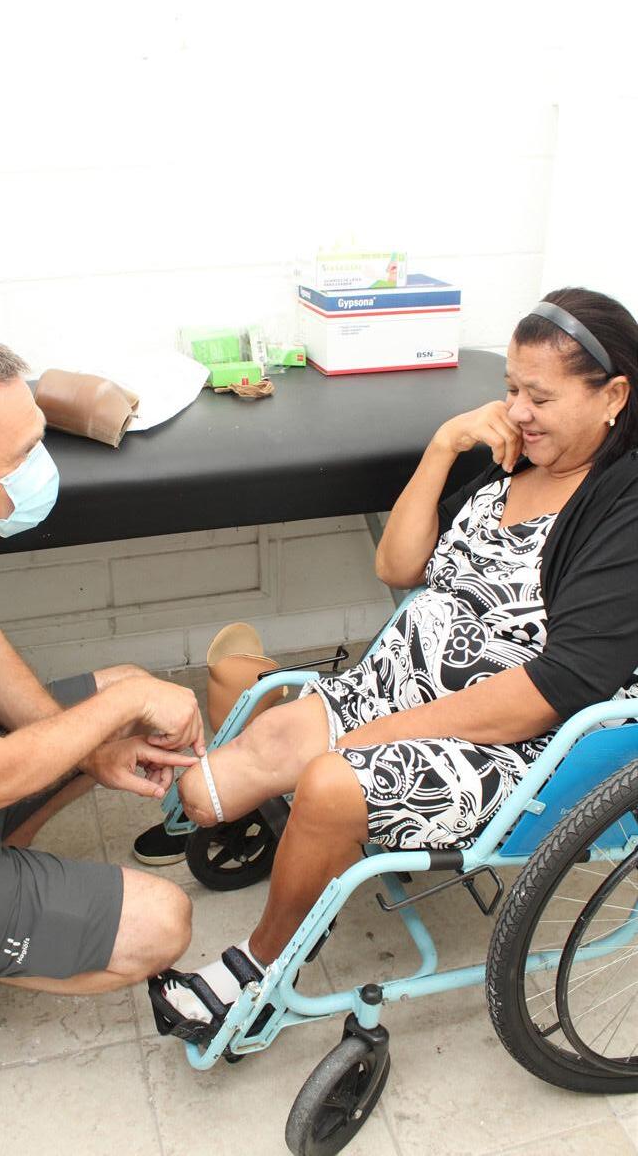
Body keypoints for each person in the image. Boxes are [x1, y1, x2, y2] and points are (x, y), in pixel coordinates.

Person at [154, 286, 638, 1030]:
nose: (516, 411)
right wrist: (446, 443)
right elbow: (398, 565)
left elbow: (553, 688)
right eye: (510, 388)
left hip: (510, 746)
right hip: (392, 690)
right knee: (204, 794)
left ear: (613, 396)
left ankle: (261, 967)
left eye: (539, 396)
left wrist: (376, 739)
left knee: (327, 782)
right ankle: (315, 853)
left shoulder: (620, 506)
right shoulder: (516, 462)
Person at [0, 334, 204, 999]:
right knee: (161, 924)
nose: (43, 466)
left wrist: (97, 745)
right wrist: (119, 710)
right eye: (24, 453)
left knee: (115, 697)